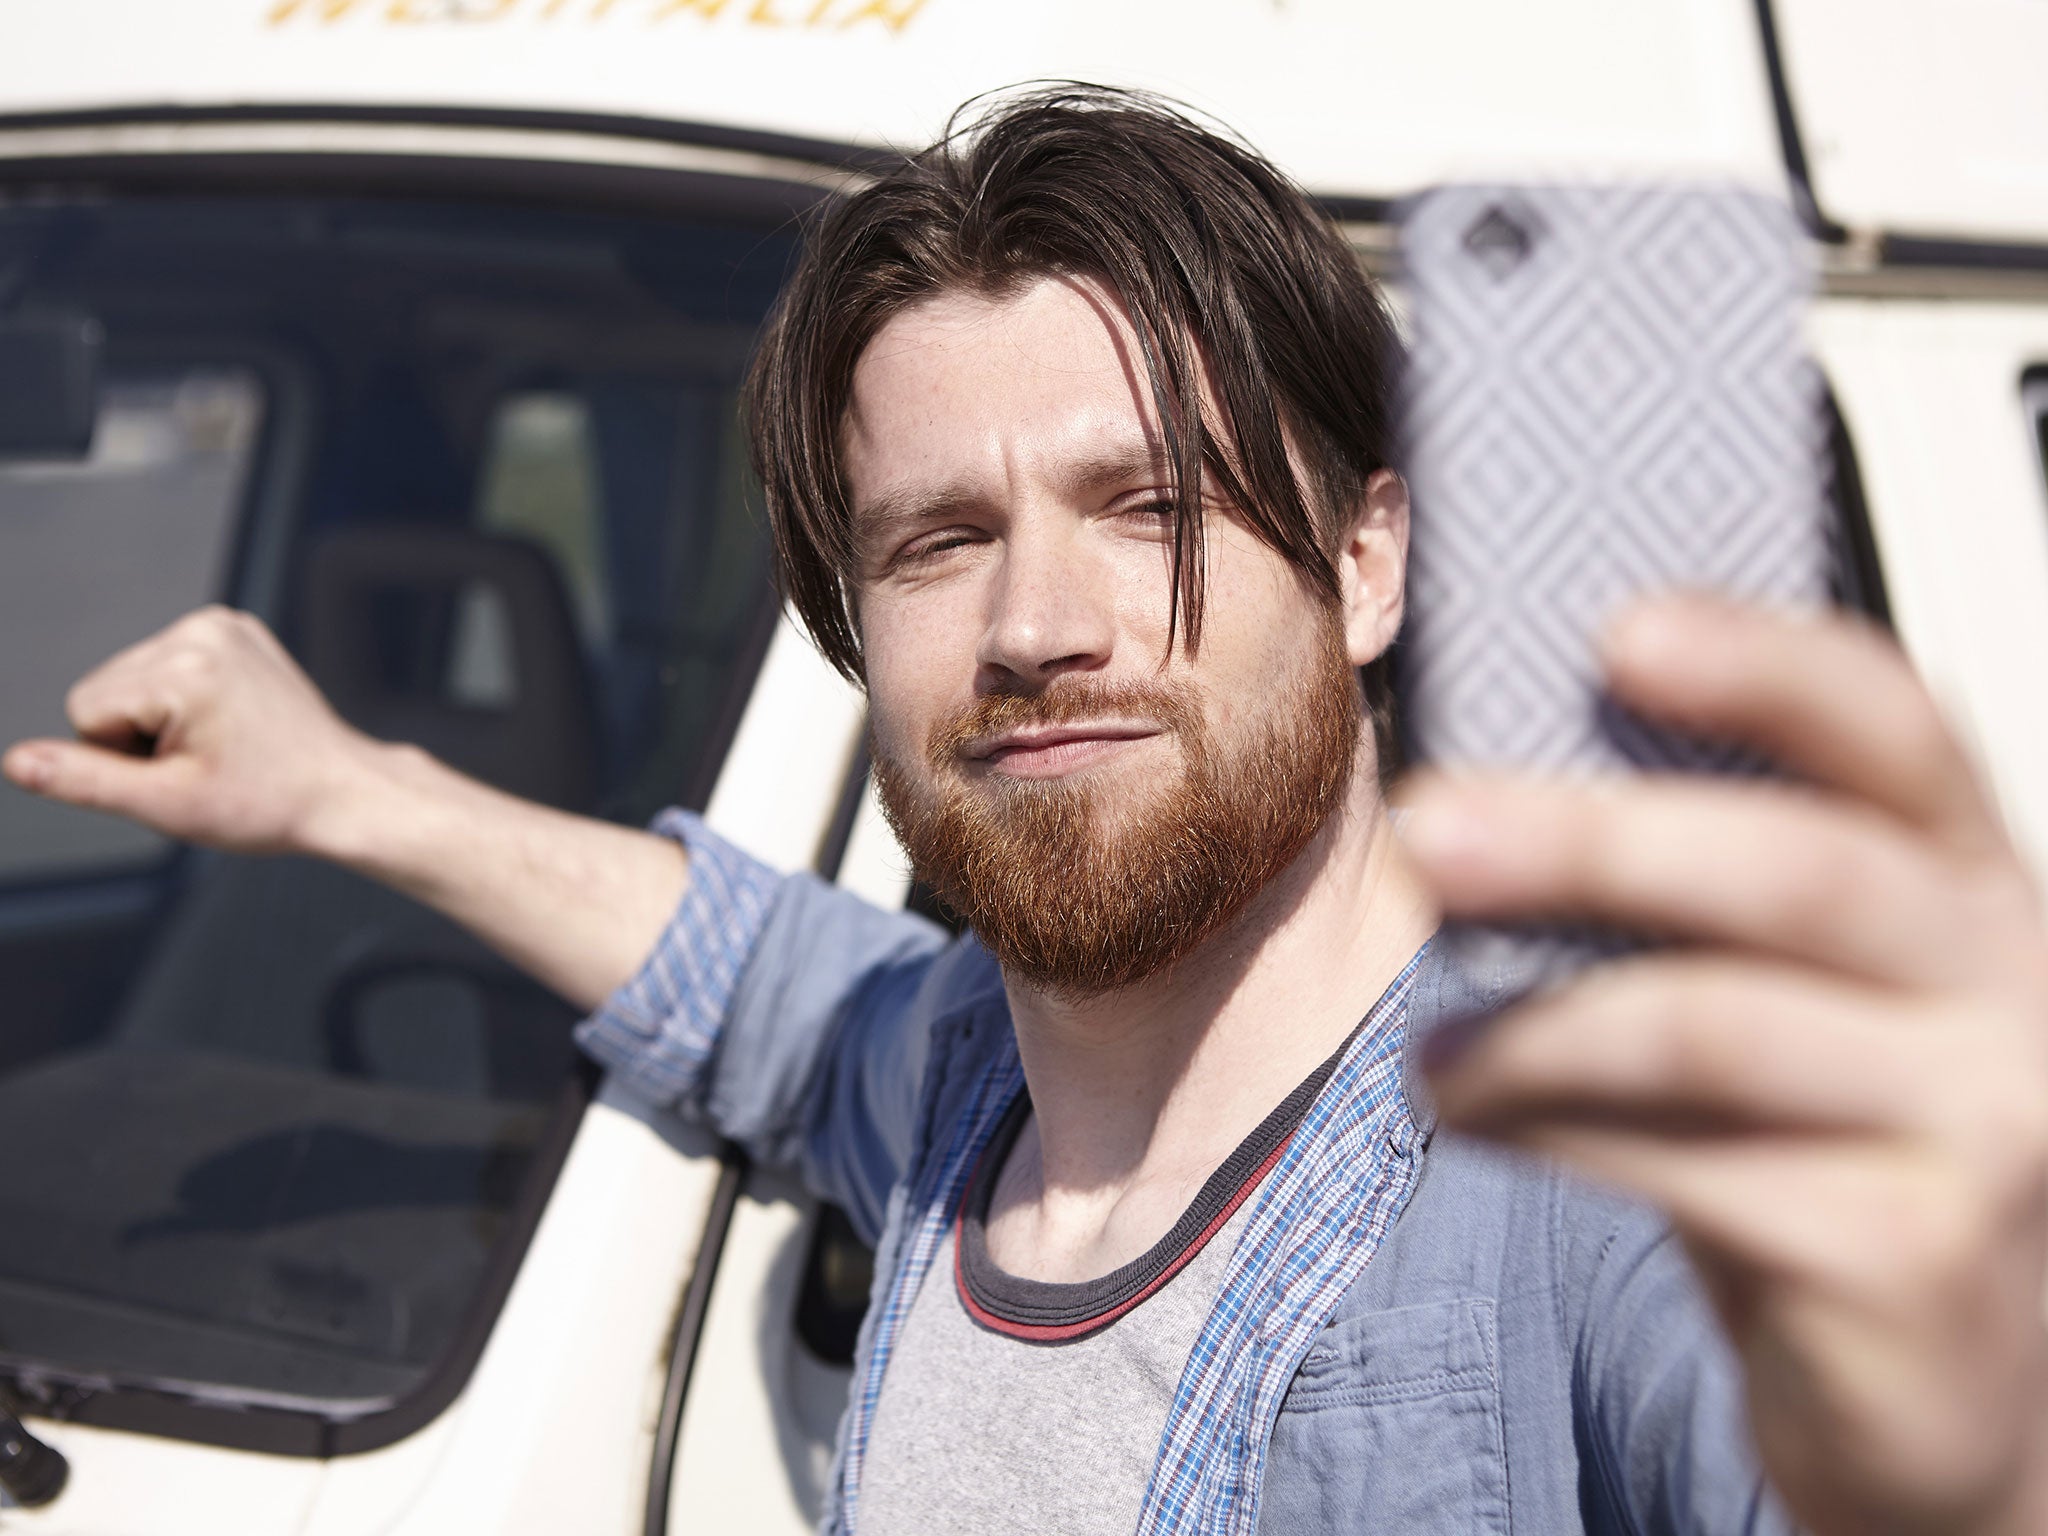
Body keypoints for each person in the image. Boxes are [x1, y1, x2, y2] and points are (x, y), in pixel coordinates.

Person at [6, 87, 2048, 1535]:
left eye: (1145, 505)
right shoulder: (966, 1092)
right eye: (933, 543)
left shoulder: (1594, 1204)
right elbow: (755, 983)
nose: (1034, 628)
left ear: (1363, 567)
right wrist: (347, 789)